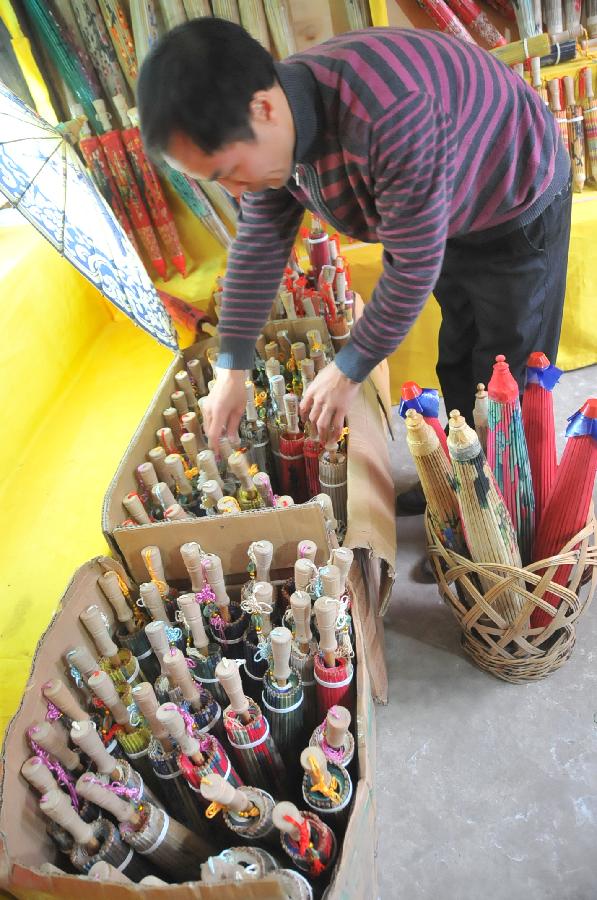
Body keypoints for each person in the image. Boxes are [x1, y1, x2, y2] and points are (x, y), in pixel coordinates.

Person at [138, 19, 572, 514]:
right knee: (459, 351)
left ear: (262, 108)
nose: (234, 192)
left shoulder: (389, 113)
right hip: (449, 208)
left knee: (506, 372)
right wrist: (231, 368)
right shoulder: (274, 135)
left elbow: (412, 265)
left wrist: (348, 370)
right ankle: (463, 487)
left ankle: (502, 520)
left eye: (227, 172)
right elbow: (259, 245)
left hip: (516, 198)